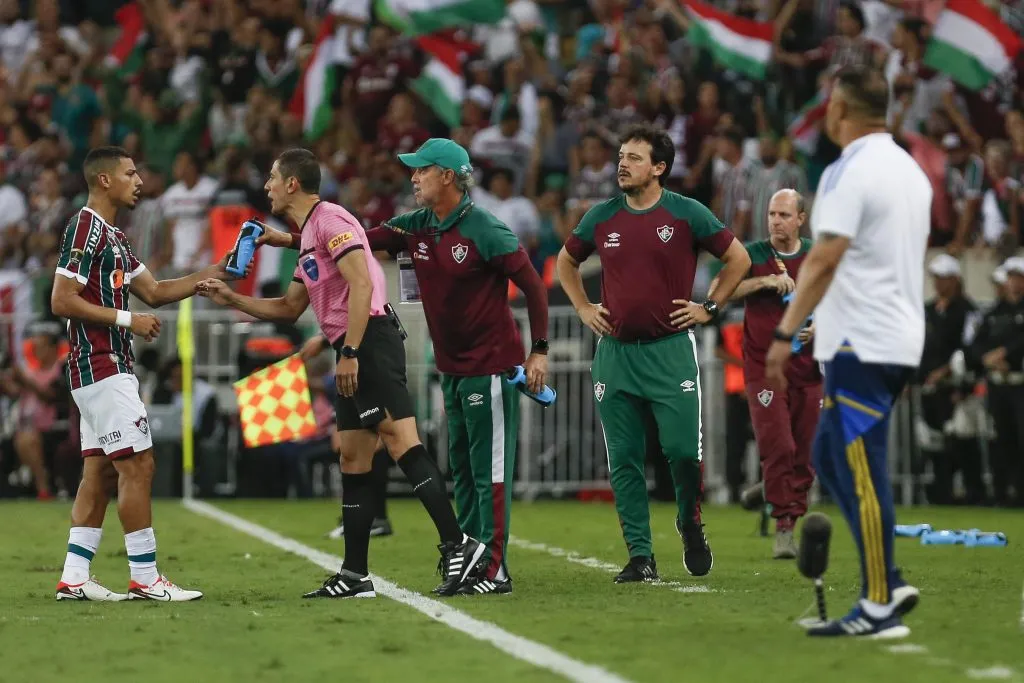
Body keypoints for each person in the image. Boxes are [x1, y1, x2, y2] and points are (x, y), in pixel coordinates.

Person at [258, 138, 550, 595]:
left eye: (422, 170)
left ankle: (490, 568)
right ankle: (460, 559)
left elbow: (533, 284)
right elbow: (356, 243)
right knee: (463, 472)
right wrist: (291, 238)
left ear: (448, 176)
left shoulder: (485, 228)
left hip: (491, 365)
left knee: (485, 470)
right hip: (450, 368)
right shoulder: (416, 225)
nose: (412, 177)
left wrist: (540, 350)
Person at [197, 148, 485, 599]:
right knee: (352, 457)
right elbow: (290, 309)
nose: (268, 185)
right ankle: (355, 575)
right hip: (353, 344)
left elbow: (362, 283)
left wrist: (349, 351)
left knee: (399, 440)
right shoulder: (311, 233)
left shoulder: (332, 220)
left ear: (293, 184)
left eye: (273, 177)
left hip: (368, 340)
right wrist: (231, 299)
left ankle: (458, 544)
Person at [765, 65, 928, 638]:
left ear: (840, 111)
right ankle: (888, 581)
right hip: (896, 334)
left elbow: (825, 257)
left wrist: (784, 335)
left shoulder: (847, 169)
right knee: (833, 455)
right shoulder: (911, 170)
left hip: (863, 338)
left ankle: (881, 601)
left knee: (859, 466)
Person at [556, 123, 751, 583]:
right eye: (621, 155)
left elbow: (738, 259)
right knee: (623, 459)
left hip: (669, 352)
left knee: (683, 452)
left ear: (660, 168)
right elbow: (567, 261)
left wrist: (709, 307)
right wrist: (583, 307)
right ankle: (640, 556)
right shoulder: (601, 217)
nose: (622, 163)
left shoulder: (685, 213)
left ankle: (690, 521)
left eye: (635, 157)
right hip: (616, 354)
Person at [51, 146, 245, 602]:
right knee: (139, 465)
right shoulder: (85, 226)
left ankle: (74, 577)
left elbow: (155, 292)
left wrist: (216, 271)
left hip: (102, 368)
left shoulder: (114, 237)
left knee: (98, 473)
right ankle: (145, 577)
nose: (139, 181)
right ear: (104, 180)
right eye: (130, 173)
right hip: (102, 363)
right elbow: (61, 299)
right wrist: (127, 321)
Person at [724, 190, 822, 559]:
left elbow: (840, 298)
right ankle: (785, 524)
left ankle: (769, 490)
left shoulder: (816, 254)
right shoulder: (752, 254)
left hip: (809, 367)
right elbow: (724, 289)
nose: (776, 221)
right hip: (764, 367)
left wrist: (821, 328)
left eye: (784, 215)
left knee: (803, 451)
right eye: (771, 214)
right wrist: (763, 282)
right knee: (778, 444)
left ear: (800, 218)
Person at [914, 254, 983, 505]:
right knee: (934, 444)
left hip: (958, 387)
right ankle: (941, 493)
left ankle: (974, 493)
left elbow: (970, 347)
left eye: (943, 278)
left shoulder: (968, 311)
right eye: (936, 278)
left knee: (962, 442)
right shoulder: (928, 311)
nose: (938, 283)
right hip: (930, 388)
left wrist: (947, 372)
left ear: (955, 279)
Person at [964, 256, 1024, 506]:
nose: (1012, 282)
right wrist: (988, 358)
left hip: (1020, 382)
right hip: (999, 385)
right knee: (1002, 439)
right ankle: (1004, 494)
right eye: (1009, 277)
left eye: (1016, 276)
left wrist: (1006, 354)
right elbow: (974, 345)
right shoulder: (993, 313)